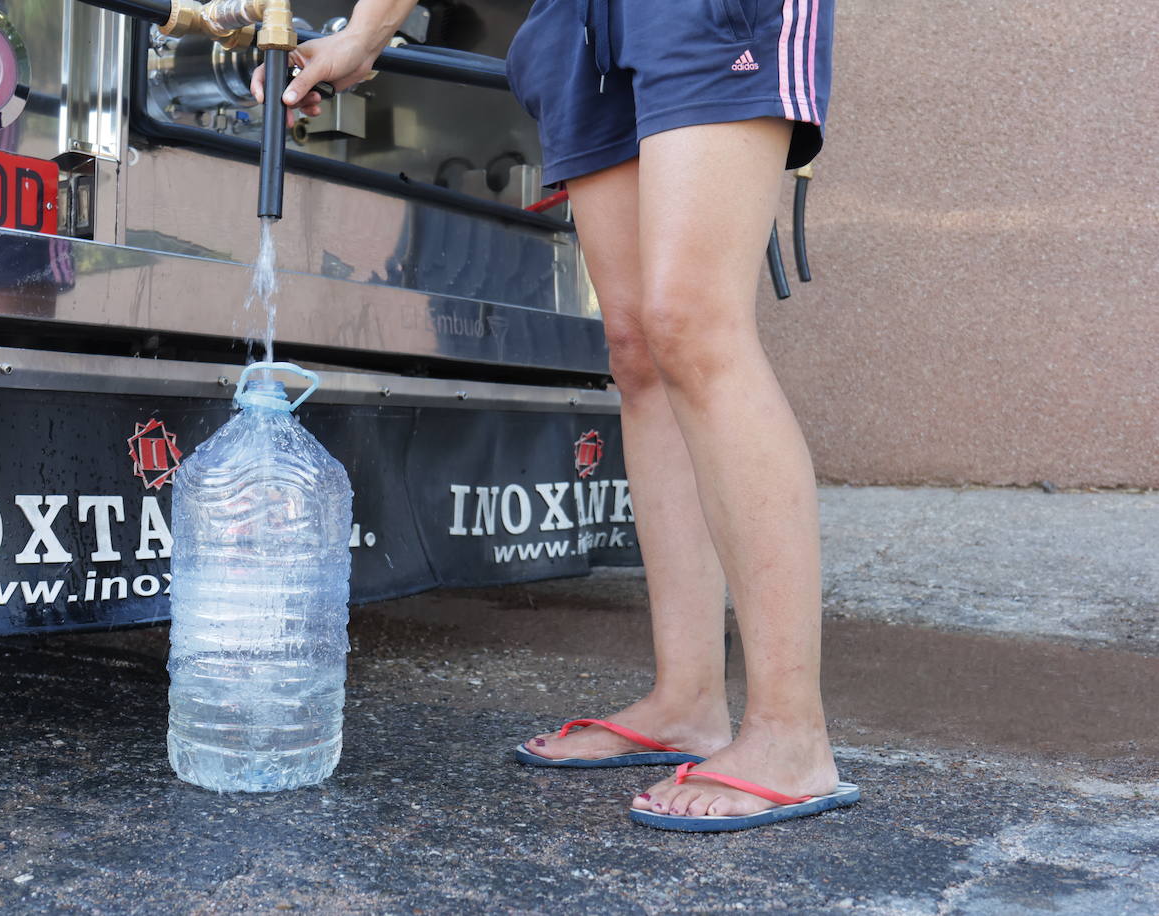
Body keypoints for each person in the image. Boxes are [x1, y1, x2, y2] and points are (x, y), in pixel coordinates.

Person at [256, 0, 858, 832]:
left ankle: (792, 735)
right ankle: (686, 699)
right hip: (579, 17)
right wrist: (366, 30)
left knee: (694, 325)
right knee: (639, 352)